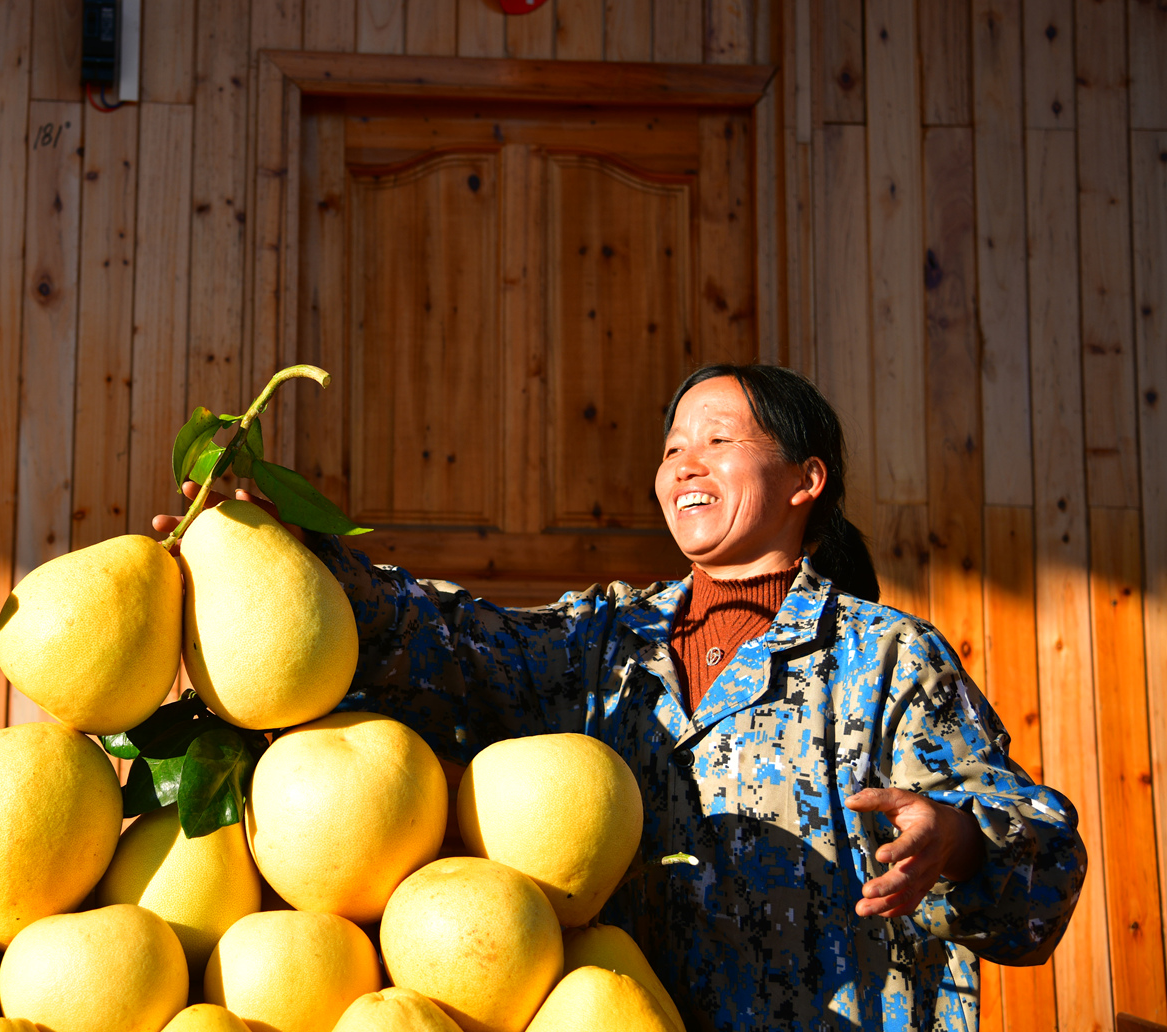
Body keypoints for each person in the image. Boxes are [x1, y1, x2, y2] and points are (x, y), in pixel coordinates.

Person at [158, 363, 1085, 1031]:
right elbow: (448, 643)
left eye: (720, 441)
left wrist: (956, 840)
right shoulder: (601, 641)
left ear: (807, 481)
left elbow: (1043, 864)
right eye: (675, 445)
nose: (686, 461)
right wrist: (288, 555)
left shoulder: (889, 658)